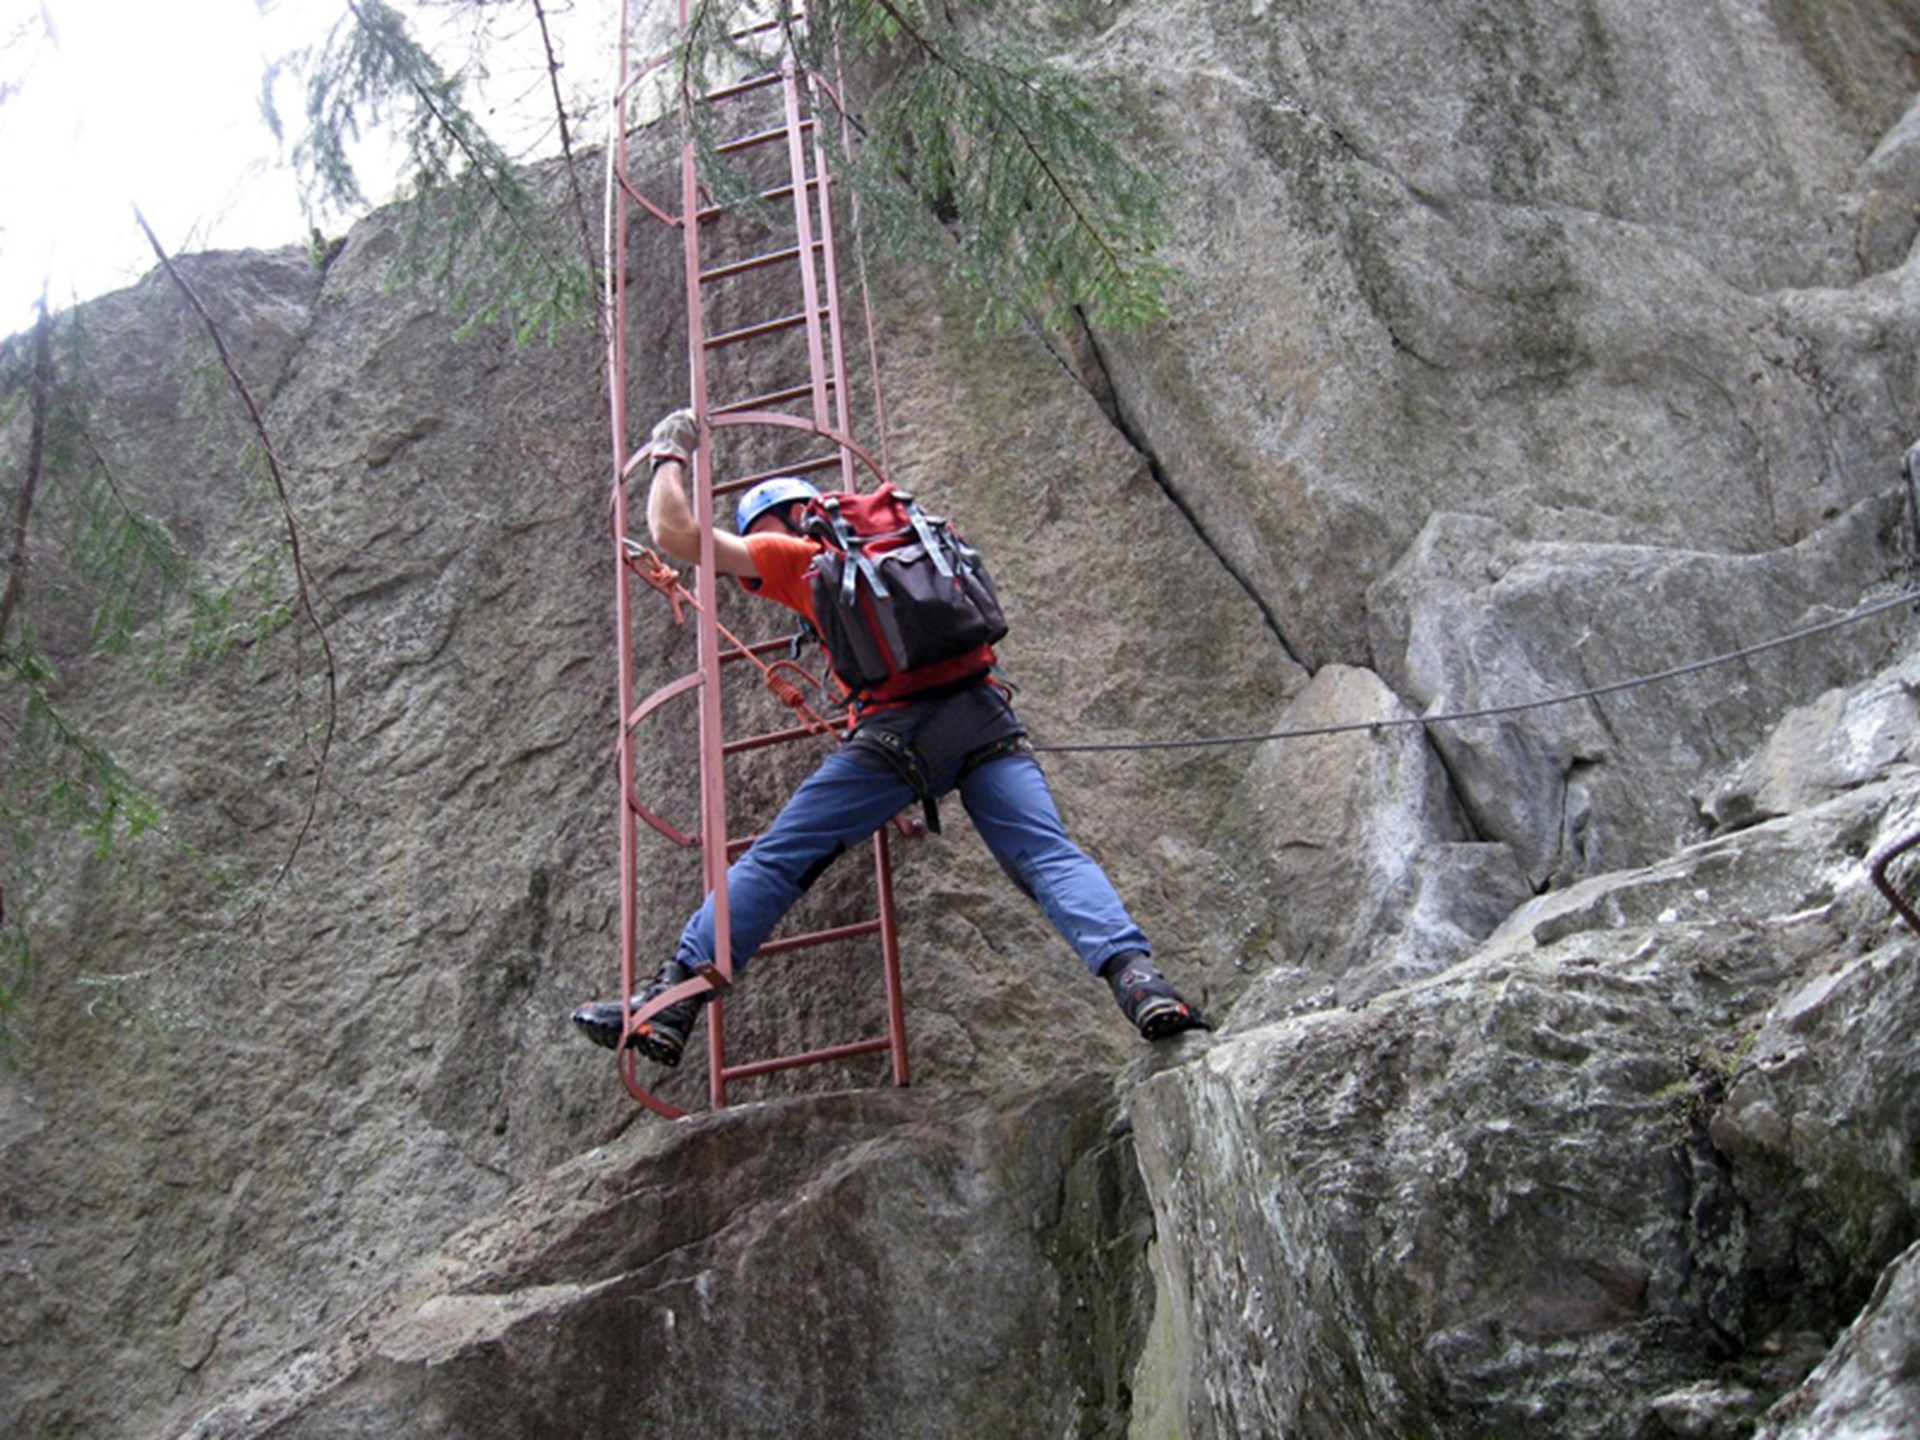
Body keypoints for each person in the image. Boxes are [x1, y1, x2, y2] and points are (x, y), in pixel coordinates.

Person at [573, 409, 1207, 1066]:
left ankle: (672, 999)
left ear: (776, 522)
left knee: (777, 861)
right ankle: (1140, 981)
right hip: (984, 721)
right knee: (1049, 856)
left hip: (894, 743)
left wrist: (668, 452)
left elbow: (673, 533)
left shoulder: (797, 556)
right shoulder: (916, 540)